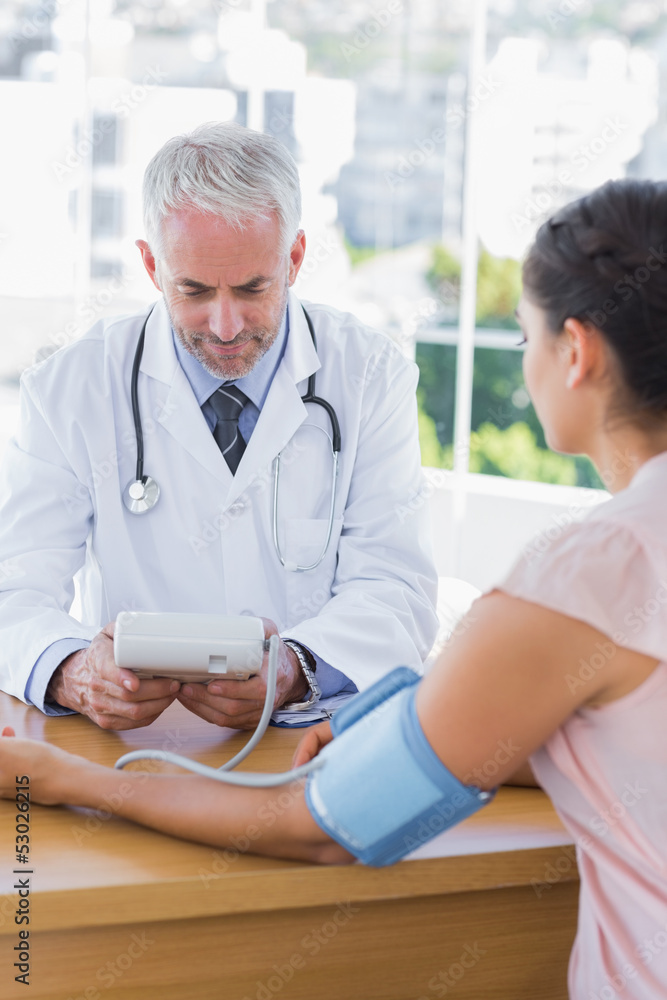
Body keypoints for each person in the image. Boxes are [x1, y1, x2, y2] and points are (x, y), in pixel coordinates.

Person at [4, 176, 667, 999]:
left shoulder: (580, 580)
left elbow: (333, 826)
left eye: (524, 333)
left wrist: (61, 779)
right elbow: (615, 733)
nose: (225, 320)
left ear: (578, 353)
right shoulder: (77, 378)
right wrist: (382, 722)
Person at [0, 121, 438, 731]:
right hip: (124, 751)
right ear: (152, 266)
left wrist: (295, 670)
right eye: (195, 290)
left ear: (295, 257)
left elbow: (395, 589)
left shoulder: (371, 375)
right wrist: (74, 670)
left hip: (310, 739)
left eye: (254, 287)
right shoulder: (70, 389)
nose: (226, 325)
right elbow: (13, 590)